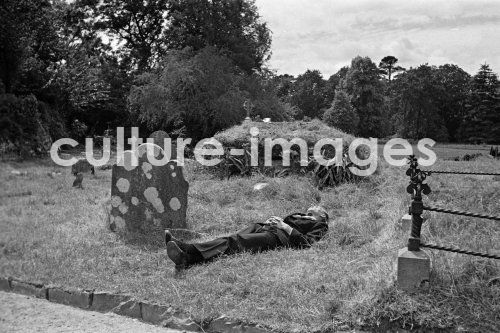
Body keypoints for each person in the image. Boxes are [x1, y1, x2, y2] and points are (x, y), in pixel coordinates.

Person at [165, 205, 329, 269]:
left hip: (277, 237)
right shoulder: (298, 215)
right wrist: (272, 220)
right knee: (232, 241)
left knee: (235, 242)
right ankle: (187, 259)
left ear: (323, 215)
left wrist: (284, 226)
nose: (312, 207)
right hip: (264, 226)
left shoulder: (321, 225)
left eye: (316, 208)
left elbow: (307, 244)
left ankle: (188, 248)